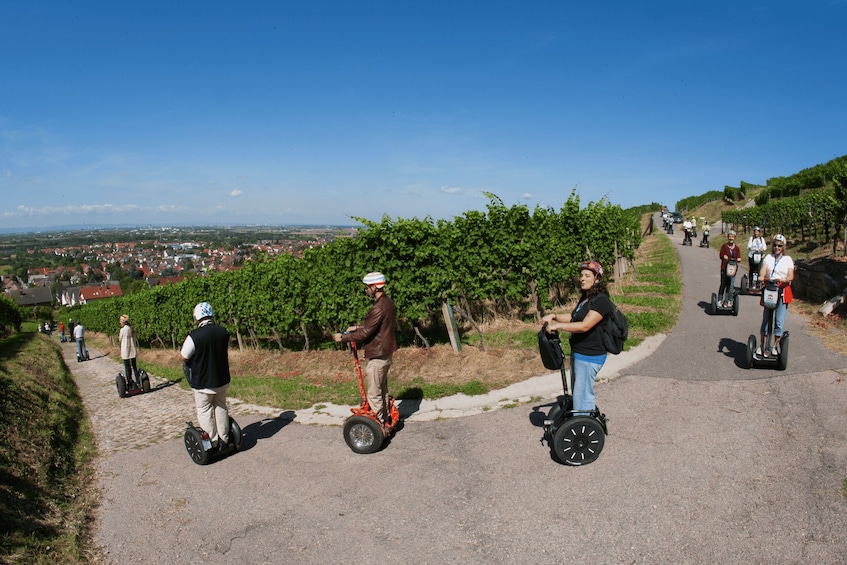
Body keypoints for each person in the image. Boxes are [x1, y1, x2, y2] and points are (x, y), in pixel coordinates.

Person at [541, 261, 611, 416]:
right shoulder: (586, 298)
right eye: (581, 275)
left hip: (590, 356)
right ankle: (579, 423)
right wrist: (554, 316)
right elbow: (573, 317)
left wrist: (557, 326)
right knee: (578, 393)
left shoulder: (601, 301)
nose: (582, 279)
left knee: (583, 397)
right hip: (579, 353)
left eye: (587, 276)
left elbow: (585, 325)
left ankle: (583, 432)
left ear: (597, 279)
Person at [333, 272, 397, 424]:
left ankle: (378, 425)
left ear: (375, 287)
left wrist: (343, 337)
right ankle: (386, 418)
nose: (366, 290)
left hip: (378, 356)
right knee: (382, 390)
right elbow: (376, 327)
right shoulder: (388, 303)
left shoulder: (378, 308)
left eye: (367, 287)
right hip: (386, 353)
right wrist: (357, 327)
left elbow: (365, 334)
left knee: (374, 394)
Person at [180, 302, 233, 452]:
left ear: (197, 317)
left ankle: (213, 442)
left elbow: (184, 356)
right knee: (221, 407)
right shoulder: (222, 331)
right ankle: (225, 437)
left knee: (204, 409)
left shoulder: (194, 336)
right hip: (221, 378)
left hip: (203, 381)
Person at [758, 234, 794, 357]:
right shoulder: (768, 257)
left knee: (779, 321)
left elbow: (791, 275)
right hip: (770, 290)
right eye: (775, 245)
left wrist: (785, 279)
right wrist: (762, 276)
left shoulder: (788, 259)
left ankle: (774, 346)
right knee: (766, 320)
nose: (777, 247)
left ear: (783, 247)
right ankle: (762, 345)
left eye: (779, 245)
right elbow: (763, 269)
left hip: (782, 292)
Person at [718, 230, 742, 306]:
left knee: (731, 285)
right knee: (723, 284)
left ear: (734, 238)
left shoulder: (736, 248)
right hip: (725, 268)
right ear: (728, 237)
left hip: (733, 269)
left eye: (732, 237)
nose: (731, 238)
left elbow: (739, 257)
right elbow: (721, 255)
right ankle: (720, 299)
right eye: (730, 236)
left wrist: (739, 259)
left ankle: (729, 300)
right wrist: (723, 256)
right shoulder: (724, 246)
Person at [119, 314, 140, 386]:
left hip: (125, 350)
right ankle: (138, 381)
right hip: (132, 349)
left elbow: (120, 339)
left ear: (123, 322)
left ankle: (130, 382)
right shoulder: (131, 329)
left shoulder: (122, 330)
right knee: (134, 367)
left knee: (127, 367)